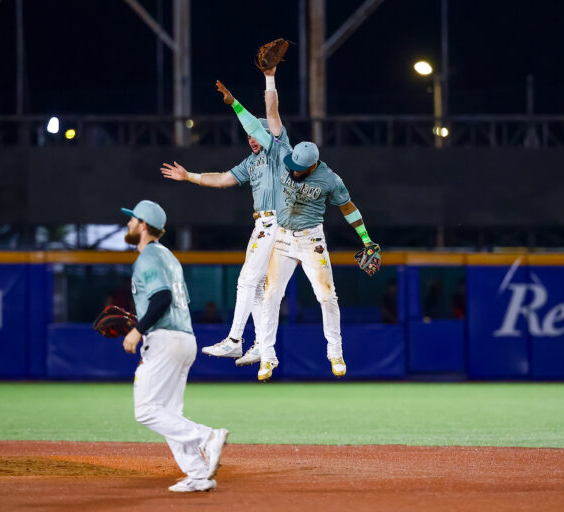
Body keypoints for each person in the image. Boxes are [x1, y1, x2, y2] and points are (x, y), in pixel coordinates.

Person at [215, 79, 379, 382]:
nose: (291, 169)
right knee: (270, 297)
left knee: (326, 297)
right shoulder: (283, 154)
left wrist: (366, 239)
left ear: (312, 166)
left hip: (311, 240)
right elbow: (264, 121)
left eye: (297, 168)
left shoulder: (329, 179)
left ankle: (336, 353)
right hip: (281, 237)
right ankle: (267, 356)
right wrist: (236, 102)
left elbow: (348, 208)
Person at [160, 65, 289, 367]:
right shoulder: (251, 162)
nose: (252, 138)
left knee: (246, 282)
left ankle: (234, 341)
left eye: (256, 132)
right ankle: (261, 347)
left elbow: (272, 109)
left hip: (276, 223)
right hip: (265, 224)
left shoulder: (277, 148)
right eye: (248, 135)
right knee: (255, 286)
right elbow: (221, 179)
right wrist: (189, 176)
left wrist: (265, 80)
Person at [120, 199, 228, 493]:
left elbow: (162, 297)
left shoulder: (148, 257)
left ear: (143, 225)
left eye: (132, 219)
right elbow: (173, 300)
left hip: (165, 339)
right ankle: (198, 474)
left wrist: (137, 329)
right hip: (184, 337)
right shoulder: (169, 256)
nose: (128, 223)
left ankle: (206, 437)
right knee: (169, 413)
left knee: (146, 410)